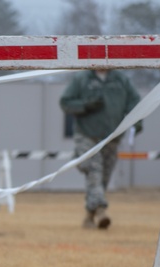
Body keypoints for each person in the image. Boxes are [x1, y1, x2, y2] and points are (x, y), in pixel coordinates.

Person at [59, 69, 141, 229]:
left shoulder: (121, 80)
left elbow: (134, 103)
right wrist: (85, 105)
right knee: (93, 169)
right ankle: (101, 210)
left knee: (102, 178)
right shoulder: (82, 79)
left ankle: (89, 216)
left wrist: (136, 123)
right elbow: (65, 102)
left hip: (112, 137)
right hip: (86, 135)